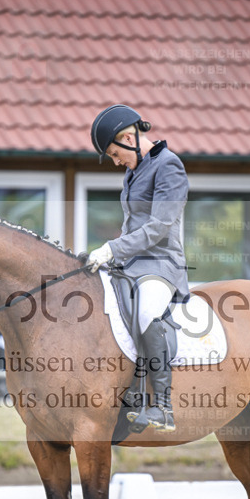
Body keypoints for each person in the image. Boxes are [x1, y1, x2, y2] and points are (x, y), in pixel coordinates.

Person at [87, 104, 188, 432]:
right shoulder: (133, 172)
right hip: (132, 264)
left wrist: (112, 248)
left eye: (116, 154)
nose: (116, 163)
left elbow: (159, 226)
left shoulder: (168, 166)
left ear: (129, 138)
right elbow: (133, 228)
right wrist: (108, 257)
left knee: (145, 311)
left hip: (162, 263)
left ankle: (162, 406)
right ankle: (127, 393)